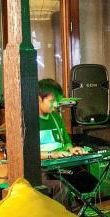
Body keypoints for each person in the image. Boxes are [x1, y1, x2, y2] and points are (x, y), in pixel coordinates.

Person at [38, 78, 90, 209]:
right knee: (61, 187)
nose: (56, 105)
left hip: (58, 165)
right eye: (52, 101)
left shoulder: (56, 117)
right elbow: (28, 154)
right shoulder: (29, 121)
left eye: (57, 101)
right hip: (41, 170)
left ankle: (76, 213)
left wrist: (71, 149)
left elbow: (66, 142)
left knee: (85, 179)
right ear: (39, 99)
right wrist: (52, 155)